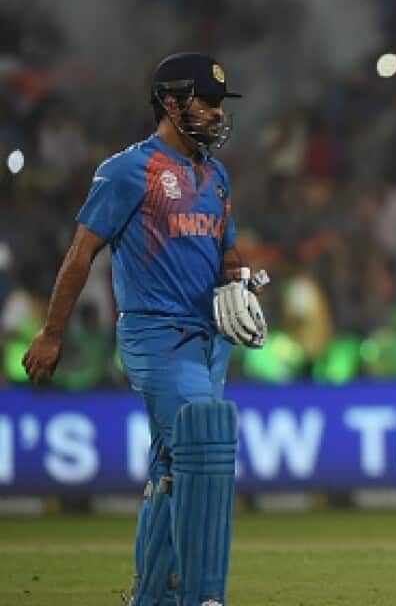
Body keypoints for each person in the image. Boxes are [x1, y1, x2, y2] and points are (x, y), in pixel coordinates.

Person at [21, 52, 269, 606]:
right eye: (205, 101)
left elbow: (226, 252)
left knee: (173, 464)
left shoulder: (216, 174)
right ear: (171, 101)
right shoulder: (127, 171)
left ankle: (153, 597)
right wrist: (52, 333)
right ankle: (205, 596)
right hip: (156, 336)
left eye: (218, 104)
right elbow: (81, 253)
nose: (215, 113)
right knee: (205, 439)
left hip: (209, 341)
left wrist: (239, 284)